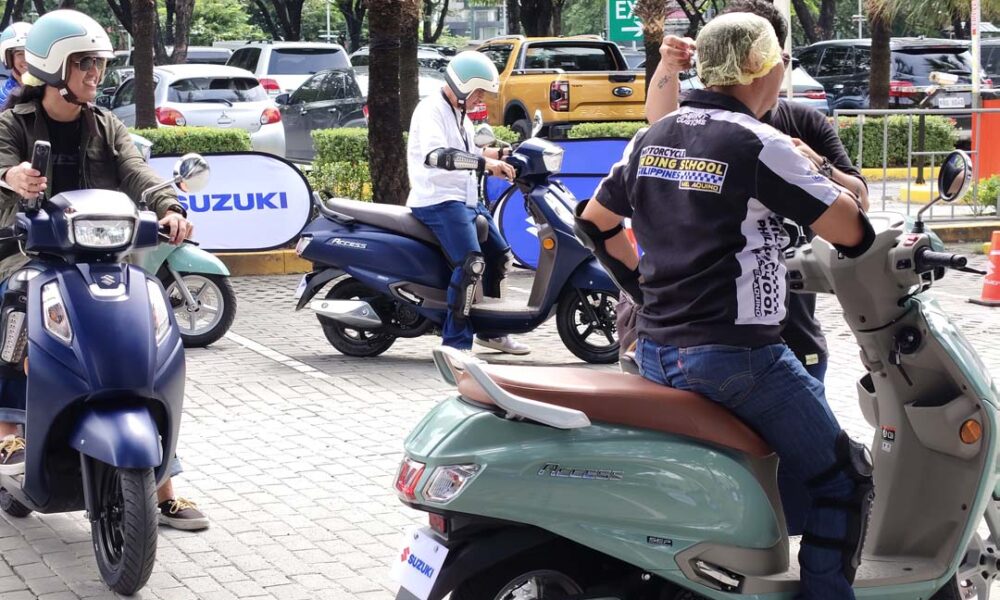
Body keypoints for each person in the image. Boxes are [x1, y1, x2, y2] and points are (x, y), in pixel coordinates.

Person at [575, 13, 874, 598]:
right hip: (738, 359)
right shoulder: (758, 143)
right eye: (781, 62)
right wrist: (813, 168)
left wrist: (644, 292)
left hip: (656, 352)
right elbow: (854, 233)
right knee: (844, 477)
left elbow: (596, 223)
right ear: (765, 68)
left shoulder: (652, 136)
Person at [0, 9, 207, 531]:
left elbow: (139, 173)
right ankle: (10, 433)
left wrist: (170, 208)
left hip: (100, 256)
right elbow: (0, 164)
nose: (96, 73)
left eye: (99, 63)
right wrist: (12, 176)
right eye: (85, 63)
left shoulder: (104, 123)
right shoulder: (12, 123)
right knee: (14, 309)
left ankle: (163, 485)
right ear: (53, 67)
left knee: (148, 340)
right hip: (27, 252)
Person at [406, 50, 529, 355]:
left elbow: (472, 151)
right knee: (471, 263)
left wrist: (503, 156)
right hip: (438, 200)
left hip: (465, 200)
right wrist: (487, 166)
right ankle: (455, 343)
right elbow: (439, 156)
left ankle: (491, 331)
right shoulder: (430, 110)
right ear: (462, 86)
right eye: (478, 93)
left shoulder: (460, 115)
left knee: (500, 255)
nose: (481, 100)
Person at [0, 22, 30, 108]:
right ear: (9, 59)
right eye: (20, 54)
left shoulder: (48, 88)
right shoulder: (4, 98)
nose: (27, 59)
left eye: (30, 53)